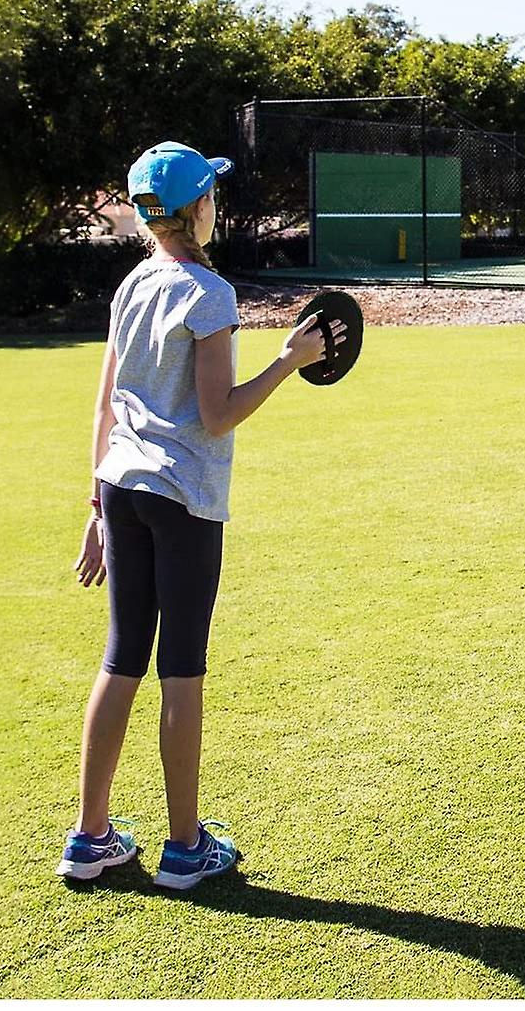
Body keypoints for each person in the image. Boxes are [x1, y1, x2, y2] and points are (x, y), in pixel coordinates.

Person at [56, 141, 343, 889]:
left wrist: (94, 503)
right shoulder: (208, 294)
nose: (217, 202)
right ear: (195, 209)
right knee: (180, 668)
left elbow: (105, 402)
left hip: (120, 486)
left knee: (122, 657)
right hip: (183, 499)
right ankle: (185, 849)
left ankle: (91, 839)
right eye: (211, 193)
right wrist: (289, 360)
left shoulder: (132, 285)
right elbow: (217, 417)